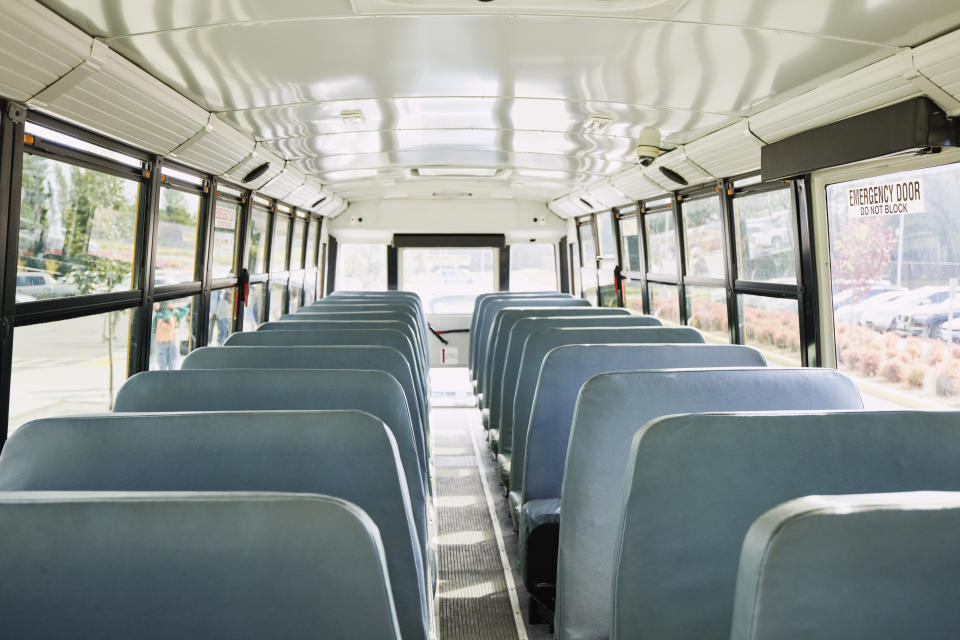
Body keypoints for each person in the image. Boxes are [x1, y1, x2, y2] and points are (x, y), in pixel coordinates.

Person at [154, 301, 188, 370]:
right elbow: (186, 310)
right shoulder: (174, 314)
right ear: (169, 305)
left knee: (162, 365)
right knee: (173, 363)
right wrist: (175, 307)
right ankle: (172, 379)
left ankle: (163, 378)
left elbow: (154, 330)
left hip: (160, 341)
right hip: (173, 341)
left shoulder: (158, 315)